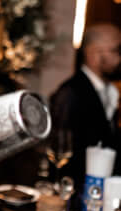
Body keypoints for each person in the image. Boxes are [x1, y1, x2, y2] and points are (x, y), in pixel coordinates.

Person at [49, 23, 121, 188]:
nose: (120, 58)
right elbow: (61, 154)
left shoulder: (109, 91)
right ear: (93, 54)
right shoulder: (70, 93)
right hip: (75, 192)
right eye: (117, 50)